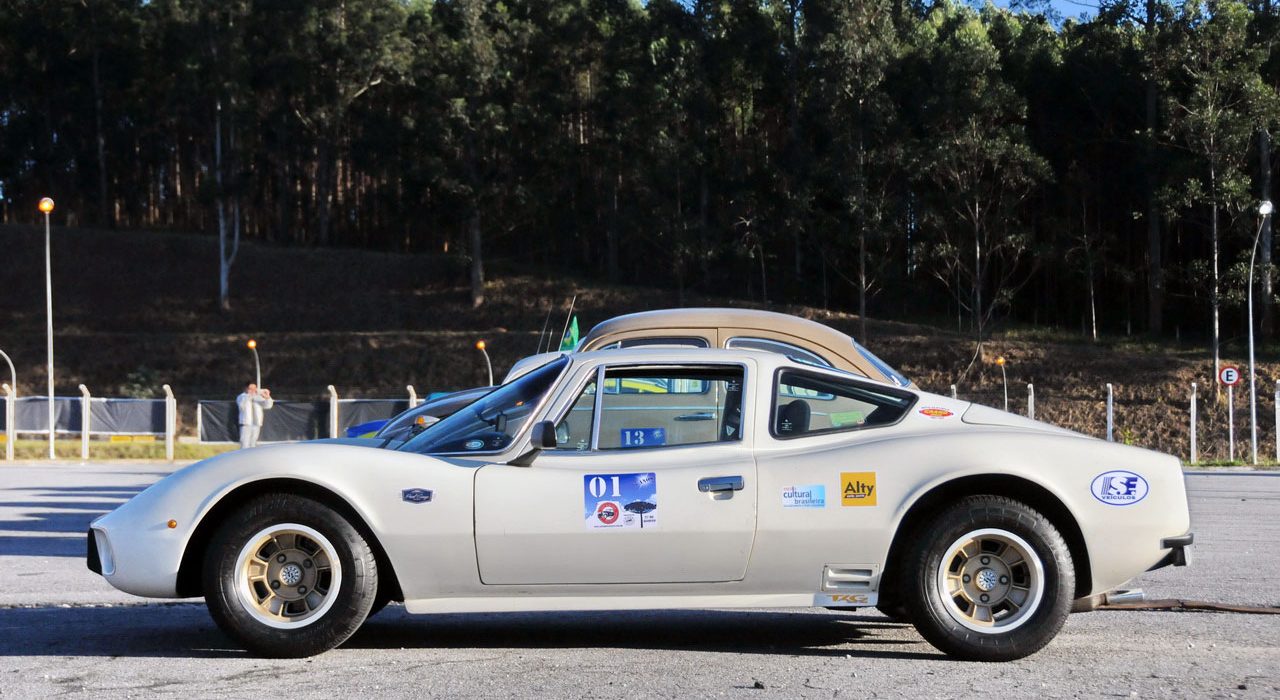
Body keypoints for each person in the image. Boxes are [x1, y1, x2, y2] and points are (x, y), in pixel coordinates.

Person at [236, 383, 274, 449]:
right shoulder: (241, 397)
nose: (253, 390)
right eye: (251, 388)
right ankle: (244, 454)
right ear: (246, 389)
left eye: (254, 388)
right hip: (246, 424)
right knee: (244, 443)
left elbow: (268, 406)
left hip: (256, 423)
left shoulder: (258, 397)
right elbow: (242, 406)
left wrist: (267, 397)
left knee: (253, 443)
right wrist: (250, 395)